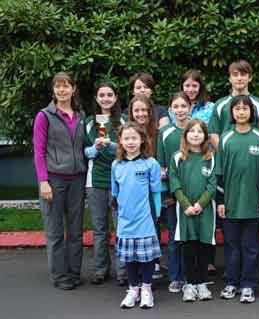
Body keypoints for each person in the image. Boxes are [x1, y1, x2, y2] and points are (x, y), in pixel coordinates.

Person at [33, 72, 87, 290]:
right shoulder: (44, 116)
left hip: (77, 179)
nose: (62, 90)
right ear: (53, 90)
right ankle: (60, 276)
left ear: (73, 89)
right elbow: (38, 151)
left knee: (75, 231)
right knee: (55, 232)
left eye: (66, 86)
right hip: (54, 179)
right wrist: (43, 181)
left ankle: (74, 273)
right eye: (58, 87)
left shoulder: (81, 116)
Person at [216, 95, 259, 303]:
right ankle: (232, 282)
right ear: (232, 113)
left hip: (253, 203)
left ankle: (248, 284)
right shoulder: (226, 138)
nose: (242, 112)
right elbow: (218, 172)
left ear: (251, 112)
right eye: (237, 109)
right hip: (230, 204)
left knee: (251, 246)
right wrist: (220, 201)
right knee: (231, 245)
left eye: (246, 108)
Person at [112, 122, 162, 309]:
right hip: (125, 221)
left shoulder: (151, 164)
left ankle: (146, 290)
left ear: (142, 140)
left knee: (147, 258)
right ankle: (133, 289)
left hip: (145, 220)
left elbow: (156, 192)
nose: (130, 142)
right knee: (130, 259)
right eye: (126, 138)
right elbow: (115, 193)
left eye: (134, 138)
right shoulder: (116, 165)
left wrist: (156, 215)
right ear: (120, 141)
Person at [168, 119, 217, 302]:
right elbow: (174, 182)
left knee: (204, 246)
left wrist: (200, 204)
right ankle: (190, 284)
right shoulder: (177, 157)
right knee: (188, 246)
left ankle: (202, 283)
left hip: (205, 211)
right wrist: (186, 204)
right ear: (185, 134)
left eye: (199, 131)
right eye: (192, 131)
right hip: (185, 211)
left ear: (205, 136)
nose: (195, 134)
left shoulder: (210, 157)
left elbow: (212, 185)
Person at [84, 82, 126, 285]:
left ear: (116, 97)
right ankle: (101, 270)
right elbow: (85, 152)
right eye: (102, 95)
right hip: (96, 181)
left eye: (110, 94)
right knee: (100, 229)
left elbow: (126, 148)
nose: (106, 98)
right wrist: (96, 147)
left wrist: (111, 146)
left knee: (121, 228)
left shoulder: (123, 121)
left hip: (120, 180)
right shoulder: (89, 123)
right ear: (96, 98)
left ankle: (123, 271)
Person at [157, 92, 192, 293]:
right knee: (174, 236)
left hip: (194, 195)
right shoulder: (165, 133)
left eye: (183, 106)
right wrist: (167, 194)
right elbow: (162, 168)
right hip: (172, 195)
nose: (180, 110)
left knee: (191, 237)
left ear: (189, 108)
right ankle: (176, 276)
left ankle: (191, 275)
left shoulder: (196, 130)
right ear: (170, 110)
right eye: (176, 107)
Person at [208, 60, 259, 150]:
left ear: (250, 78)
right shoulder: (220, 105)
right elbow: (213, 134)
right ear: (230, 79)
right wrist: (224, 152)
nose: (239, 78)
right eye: (235, 74)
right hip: (227, 158)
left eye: (243, 74)